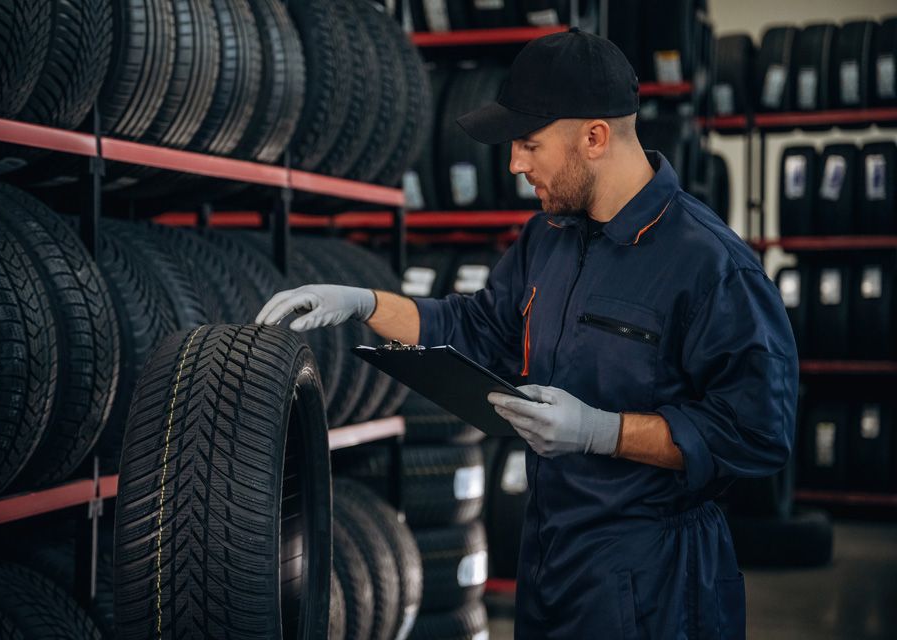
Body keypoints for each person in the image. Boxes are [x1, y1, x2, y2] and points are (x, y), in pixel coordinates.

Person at [255, 28, 797, 640]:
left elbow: (756, 433)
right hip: (551, 557)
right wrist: (363, 303)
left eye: (529, 144)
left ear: (594, 137)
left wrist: (601, 432)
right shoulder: (550, 236)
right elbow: (477, 328)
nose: (514, 164)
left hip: (655, 578)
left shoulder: (711, 266)